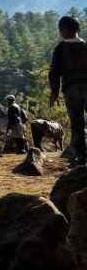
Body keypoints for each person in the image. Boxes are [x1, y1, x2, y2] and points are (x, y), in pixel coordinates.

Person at [50, 15, 87, 167]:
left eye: (60, 29)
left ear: (63, 30)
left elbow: (54, 72)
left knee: (77, 123)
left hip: (71, 90)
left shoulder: (60, 49)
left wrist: (54, 93)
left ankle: (81, 157)